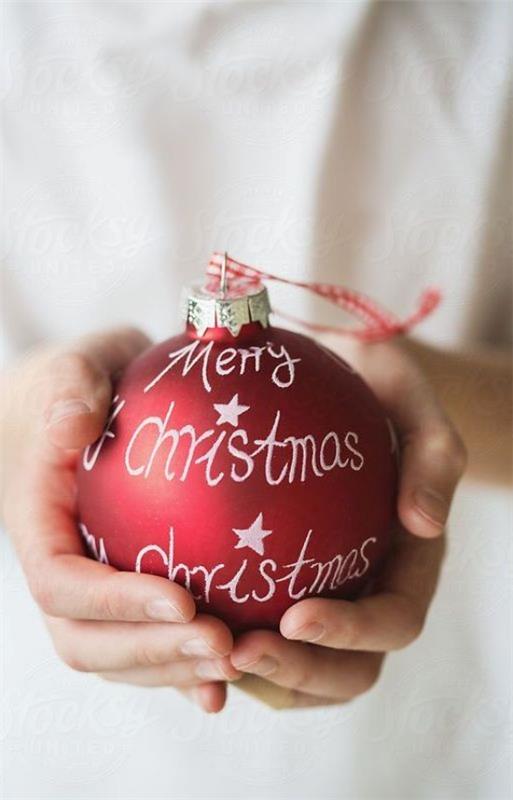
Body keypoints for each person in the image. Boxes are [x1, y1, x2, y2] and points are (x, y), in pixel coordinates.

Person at [1, 2, 511, 798]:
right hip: (66, 740)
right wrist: (22, 418)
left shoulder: (483, 34)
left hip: (449, 721)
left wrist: (423, 407)